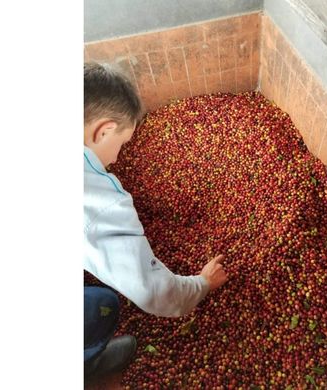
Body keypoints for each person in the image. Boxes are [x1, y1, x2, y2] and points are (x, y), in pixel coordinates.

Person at [83, 62, 228, 380]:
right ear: (103, 130)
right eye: (120, 144)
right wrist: (201, 284)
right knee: (103, 305)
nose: (116, 159)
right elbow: (153, 292)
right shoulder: (102, 202)